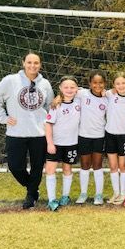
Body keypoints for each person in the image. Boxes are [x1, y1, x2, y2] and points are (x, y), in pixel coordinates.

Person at [0, 52, 54, 209]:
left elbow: (50, 106)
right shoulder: (11, 81)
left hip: (39, 134)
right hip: (16, 133)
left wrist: (48, 124)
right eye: (29, 62)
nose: (33, 65)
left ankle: (31, 195)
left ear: (40, 65)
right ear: (23, 63)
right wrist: (2, 117)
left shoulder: (44, 84)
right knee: (15, 166)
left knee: (37, 166)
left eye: (36, 63)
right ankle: (32, 187)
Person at [44, 76, 81, 211]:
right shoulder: (56, 105)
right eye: (66, 87)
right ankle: (52, 199)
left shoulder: (79, 102)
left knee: (67, 169)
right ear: (60, 88)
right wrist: (50, 143)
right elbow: (48, 125)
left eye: (72, 87)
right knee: (50, 170)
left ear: (77, 89)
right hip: (55, 144)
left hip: (71, 144)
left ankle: (65, 196)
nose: (69, 90)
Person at [75, 70, 108, 205]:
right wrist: (58, 98)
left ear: (105, 84)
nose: (97, 85)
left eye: (100, 83)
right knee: (85, 165)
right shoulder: (82, 94)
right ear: (90, 83)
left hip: (99, 136)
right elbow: (67, 91)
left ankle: (98, 195)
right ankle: (83, 193)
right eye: (94, 82)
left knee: (97, 165)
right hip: (84, 135)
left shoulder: (108, 97)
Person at [105, 72, 125, 205]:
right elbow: (85, 92)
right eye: (117, 83)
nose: (121, 86)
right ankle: (116, 193)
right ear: (114, 85)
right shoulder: (110, 95)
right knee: (113, 166)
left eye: (123, 83)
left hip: (124, 136)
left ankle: (124, 193)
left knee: (123, 166)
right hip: (110, 134)